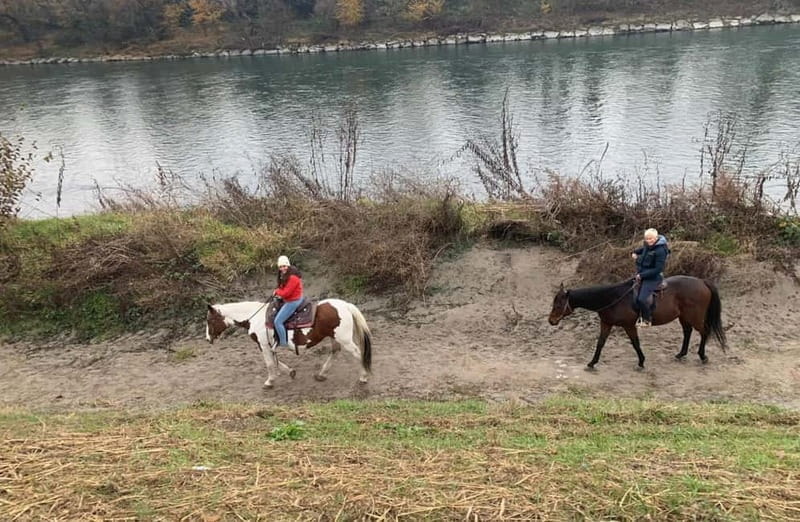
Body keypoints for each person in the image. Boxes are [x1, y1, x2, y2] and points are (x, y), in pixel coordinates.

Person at [631, 228, 669, 327]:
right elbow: (643, 250)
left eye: (651, 239)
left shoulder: (661, 251)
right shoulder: (648, 245)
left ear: (656, 238)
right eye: (647, 239)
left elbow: (657, 269)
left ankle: (647, 319)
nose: (649, 241)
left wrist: (642, 275)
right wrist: (635, 252)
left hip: (653, 278)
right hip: (642, 273)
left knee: (641, 299)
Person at [272, 255, 304, 349]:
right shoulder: (284, 275)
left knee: (277, 321)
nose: (282, 268)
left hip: (293, 301)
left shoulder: (293, 277)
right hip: (289, 299)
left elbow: (286, 293)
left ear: (288, 265)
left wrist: (276, 292)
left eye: (284, 266)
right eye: (280, 267)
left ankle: (283, 343)